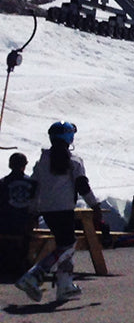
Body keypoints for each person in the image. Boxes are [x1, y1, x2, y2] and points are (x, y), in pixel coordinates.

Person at [14, 121, 101, 302]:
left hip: (47, 211)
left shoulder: (41, 162)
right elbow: (82, 185)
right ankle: (34, 275)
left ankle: (65, 285)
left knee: (66, 244)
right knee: (67, 246)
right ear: (70, 137)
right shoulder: (74, 161)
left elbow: (34, 188)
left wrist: (32, 212)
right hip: (64, 209)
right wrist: (95, 205)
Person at [1, 152, 37, 277]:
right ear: (24, 165)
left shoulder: (3, 183)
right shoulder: (32, 184)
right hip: (24, 226)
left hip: (4, 225)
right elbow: (35, 206)